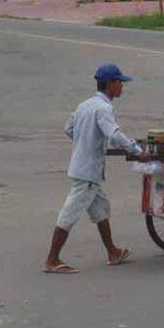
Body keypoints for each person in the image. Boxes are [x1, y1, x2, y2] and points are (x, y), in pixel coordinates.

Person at [43, 64, 144, 274]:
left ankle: (112, 251)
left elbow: (69, 128)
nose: (122, 87)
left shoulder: (85, 105)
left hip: (85, 168)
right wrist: (136, 150)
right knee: (70, 213)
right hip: (87, 172)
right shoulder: (103, 108)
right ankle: (52, 260)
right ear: (111, 84)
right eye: (120, 83)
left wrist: (86, 143)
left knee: (101, 209)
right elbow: (114, 135)